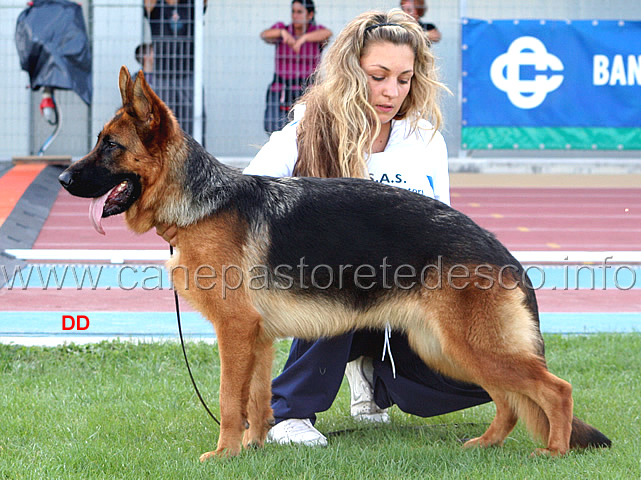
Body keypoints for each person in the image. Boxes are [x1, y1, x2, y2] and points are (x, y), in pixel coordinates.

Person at [156, 8, 489, 448]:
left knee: (482, 378)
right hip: (328, 289)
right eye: (379, 75)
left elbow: (439, 231)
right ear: (352, 71)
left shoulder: (426, 139)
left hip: (409, 297)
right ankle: (290, 411)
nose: (391, 92)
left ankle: (375, 378)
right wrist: (185, 220)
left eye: (404, 79)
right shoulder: (307, 129)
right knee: (339, 267)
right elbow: (237, 200)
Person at [260, 0, 332, 134]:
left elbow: (327, 33)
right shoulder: (284, 29)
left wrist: (303, 39)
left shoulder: (316, 32)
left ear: (310, 15)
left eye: (299, 12)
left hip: (307, 89)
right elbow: (265, 35)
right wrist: (282, 33)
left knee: (309, 129)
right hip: (282, 87)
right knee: (275, 127)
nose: (295, 15)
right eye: (293, 11)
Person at [144, 0, 207, 137]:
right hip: (162, 74)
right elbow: (147, 5)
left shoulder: (191, 5)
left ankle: (194, 156)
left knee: (192, 121)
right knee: (161, 123)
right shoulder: (156, 6)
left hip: (188, 73)